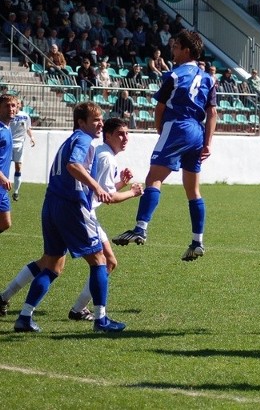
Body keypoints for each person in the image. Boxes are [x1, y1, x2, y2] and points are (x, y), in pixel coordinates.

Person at [0, 118, 143, 321]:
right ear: (108, 135)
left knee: (49, 263)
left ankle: (9, 300)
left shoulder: (98, 150)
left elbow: (99, 190)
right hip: (81, 214)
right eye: (121, 133)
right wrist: (133, 193)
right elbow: (106, 196)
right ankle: (83, 312)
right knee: (101, 262)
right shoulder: (102, 155)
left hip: (65, 207)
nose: (125, 137)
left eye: (127, 133)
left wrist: (121, 183)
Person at [112, 30, 217, 262]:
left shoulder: (174, 75)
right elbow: (212, 113)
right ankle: (197, 242)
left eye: (177, 46)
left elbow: (159, 108)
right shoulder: (209, 78)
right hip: (197, 132)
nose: (173, 50)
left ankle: (140, 228)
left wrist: (162, 131)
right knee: (193, 190)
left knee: (153, 179)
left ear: (187, 50)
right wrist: (208, 143)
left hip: (177, 126)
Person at [9, 99, 34, 201]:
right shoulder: (9, 115)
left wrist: (32, 137)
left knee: (18, 167)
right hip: (8, 144)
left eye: (17, 104)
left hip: (20, 145)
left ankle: (16, 191)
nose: (16, 106)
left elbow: (28, 128)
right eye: (14, 104)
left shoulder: (25, 116)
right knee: (4, 167)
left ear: (20, 105)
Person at [0, 95, 18, 234]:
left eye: (13, 105)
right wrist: (3, 177)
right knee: (5, 222)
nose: (11, 109)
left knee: (5, 223)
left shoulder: (7, 128)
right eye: (7, 106)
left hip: (2, 185)